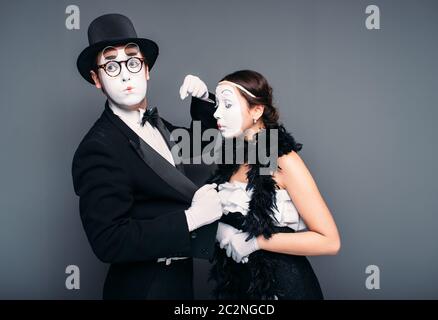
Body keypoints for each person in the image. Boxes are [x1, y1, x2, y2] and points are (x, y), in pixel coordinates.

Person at [72, 13, 221, 299]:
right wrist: (192, 219)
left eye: (132, 61)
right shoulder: (98, 147)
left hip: (180, 286)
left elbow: (206, 146)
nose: (126, 73)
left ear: (146, 69)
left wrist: (204, 101)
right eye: (111, 65)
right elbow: (108, 241)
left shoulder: (160, 126)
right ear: (97, 79)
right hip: (140, 291)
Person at [206, 70, 341, 299]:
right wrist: (219, 231)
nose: (217, 113)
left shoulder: (284, 160)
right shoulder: (233, 159)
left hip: (284, 290)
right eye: (217, 104)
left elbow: (329, 241)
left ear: (257, 110)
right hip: (241, 290)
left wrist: (256, 242)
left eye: (227, 104)